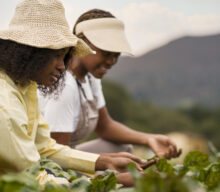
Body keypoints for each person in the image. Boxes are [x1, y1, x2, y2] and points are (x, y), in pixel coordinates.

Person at [0, 0, 148, 186]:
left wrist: (103, 162)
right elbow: (34, 179)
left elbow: (45, 147)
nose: (62, 66)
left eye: (64, 56)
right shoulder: (5, 104)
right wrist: (107, 182)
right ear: (31, 52)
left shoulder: (25, 86)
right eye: (56, 56)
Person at [39, 9, 182, 159]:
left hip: (67, 156)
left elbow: (104, 126)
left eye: (116, 55)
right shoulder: (65, 87)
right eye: (106, 53)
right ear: (83, 43)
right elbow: (57, 157)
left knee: (122, 148)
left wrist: (149, 139)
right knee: (120, 165)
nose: (111, 62)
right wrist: (109, 163)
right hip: (48, 164)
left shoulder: (90, 78)